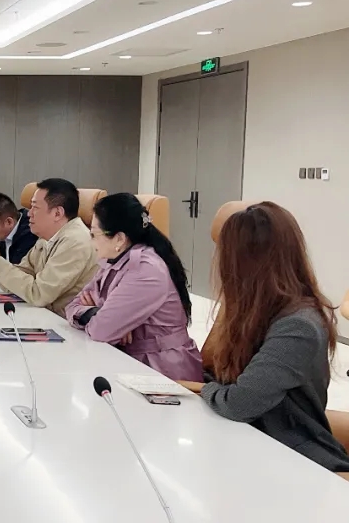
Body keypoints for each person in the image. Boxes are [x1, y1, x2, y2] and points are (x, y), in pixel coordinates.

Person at [178, 202, 349, 475]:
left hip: (293, 457)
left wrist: (208, 390)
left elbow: (239, 403)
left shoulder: (298, 326)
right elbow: (226, 380)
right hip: (251, 441)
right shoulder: (256, 310)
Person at [64, 193, 202, 381]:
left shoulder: (145, 270)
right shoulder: (114, 260)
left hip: (162, 371)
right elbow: (72, 306)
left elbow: (101, 330)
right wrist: (98, 313)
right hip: (130, 360)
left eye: (94, 234)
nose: (91, 241)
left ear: (119, 239)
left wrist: (110, 321)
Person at [0, 178, 97, 317]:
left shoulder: (76, 242)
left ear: (57, 213)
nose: (29, 213)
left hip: (64, 324)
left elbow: (38, 294)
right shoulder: (46, 239)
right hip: (45, 317)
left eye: (35, 208)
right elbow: (15, 284)